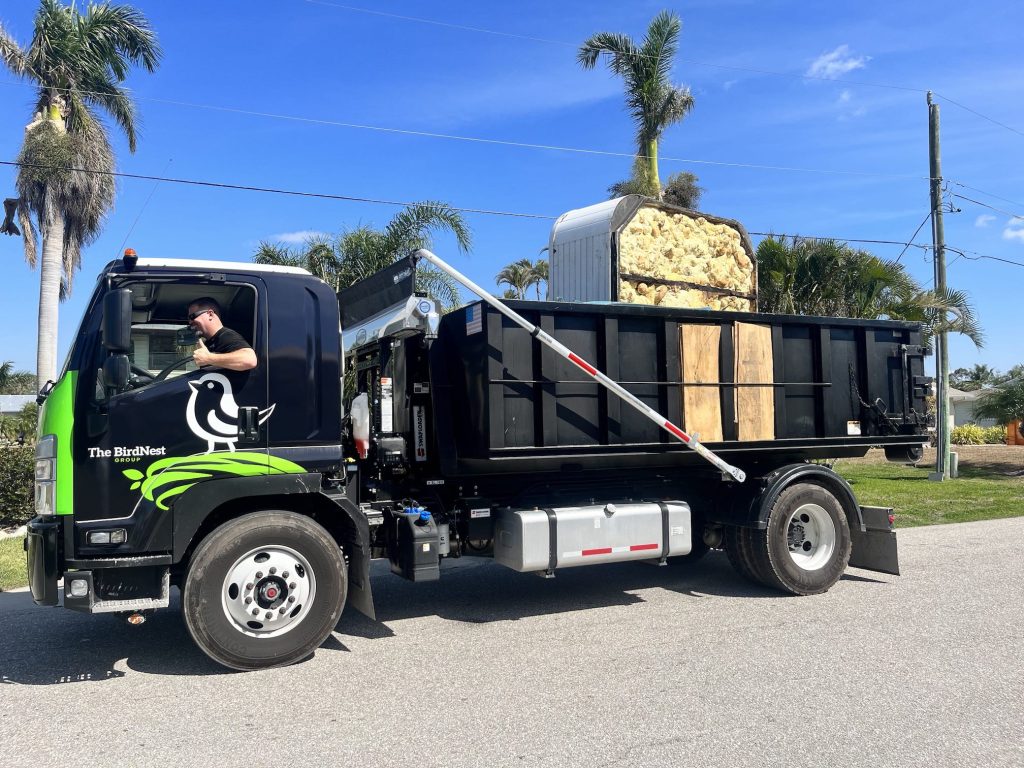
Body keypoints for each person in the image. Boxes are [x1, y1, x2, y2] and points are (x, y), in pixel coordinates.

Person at [186, 297, 257, 372]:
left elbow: (249, 360)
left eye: (192, 317)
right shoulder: (209, 342)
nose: (190, 322)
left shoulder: (226, 336)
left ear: (210, 314)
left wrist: (208, 358)